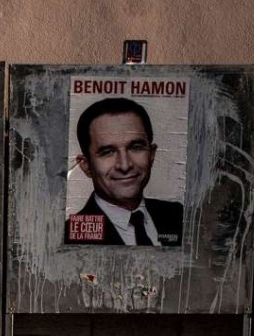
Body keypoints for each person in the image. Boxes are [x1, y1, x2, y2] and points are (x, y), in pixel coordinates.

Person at [65, 97, 183, 246]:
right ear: (86, 165)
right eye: (107, 152)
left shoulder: (179, 216)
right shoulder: (67, 237)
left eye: (136, 147)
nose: (125, 165)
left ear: (151, 155)